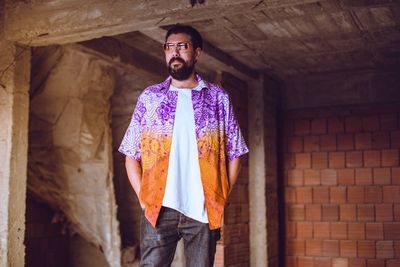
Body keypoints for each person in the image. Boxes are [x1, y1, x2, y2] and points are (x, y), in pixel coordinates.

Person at [118, 24, 248, 266]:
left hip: (202, 210)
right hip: (158, 208)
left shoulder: (218, 98)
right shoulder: (150, 97)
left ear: (196, 53)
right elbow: (130, 154)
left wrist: (221, 196)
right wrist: (143, 199)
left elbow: (235, 153)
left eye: (182, 46)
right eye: (169, 47)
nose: (174, 52)